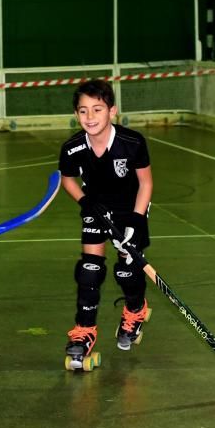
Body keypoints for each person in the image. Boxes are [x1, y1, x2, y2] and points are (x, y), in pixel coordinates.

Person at [58, 79, 153, 369]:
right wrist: (85, 202)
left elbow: (145, 182)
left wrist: (136, 221)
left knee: (127, 269)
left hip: (130, 207)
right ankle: (84, 331)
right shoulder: (73, 147)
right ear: (76, 115)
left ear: (112, 111)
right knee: (90, 269)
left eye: (97, 110)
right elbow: (67, 178)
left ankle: (136, 309)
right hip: (96, 207)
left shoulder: (132, 142)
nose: (90, 117)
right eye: (83, 111)